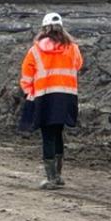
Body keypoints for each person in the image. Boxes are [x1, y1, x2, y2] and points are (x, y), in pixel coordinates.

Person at [18, 12, 84, 190]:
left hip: (45, 98)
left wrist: (28, 93)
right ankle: (58, 175)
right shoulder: (73, 48)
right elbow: (78, 65)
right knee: (57, 134)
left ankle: (51, 178)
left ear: (44, 29)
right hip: (66, 97)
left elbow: (26, 76)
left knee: (47, 136)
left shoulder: (35, 50)